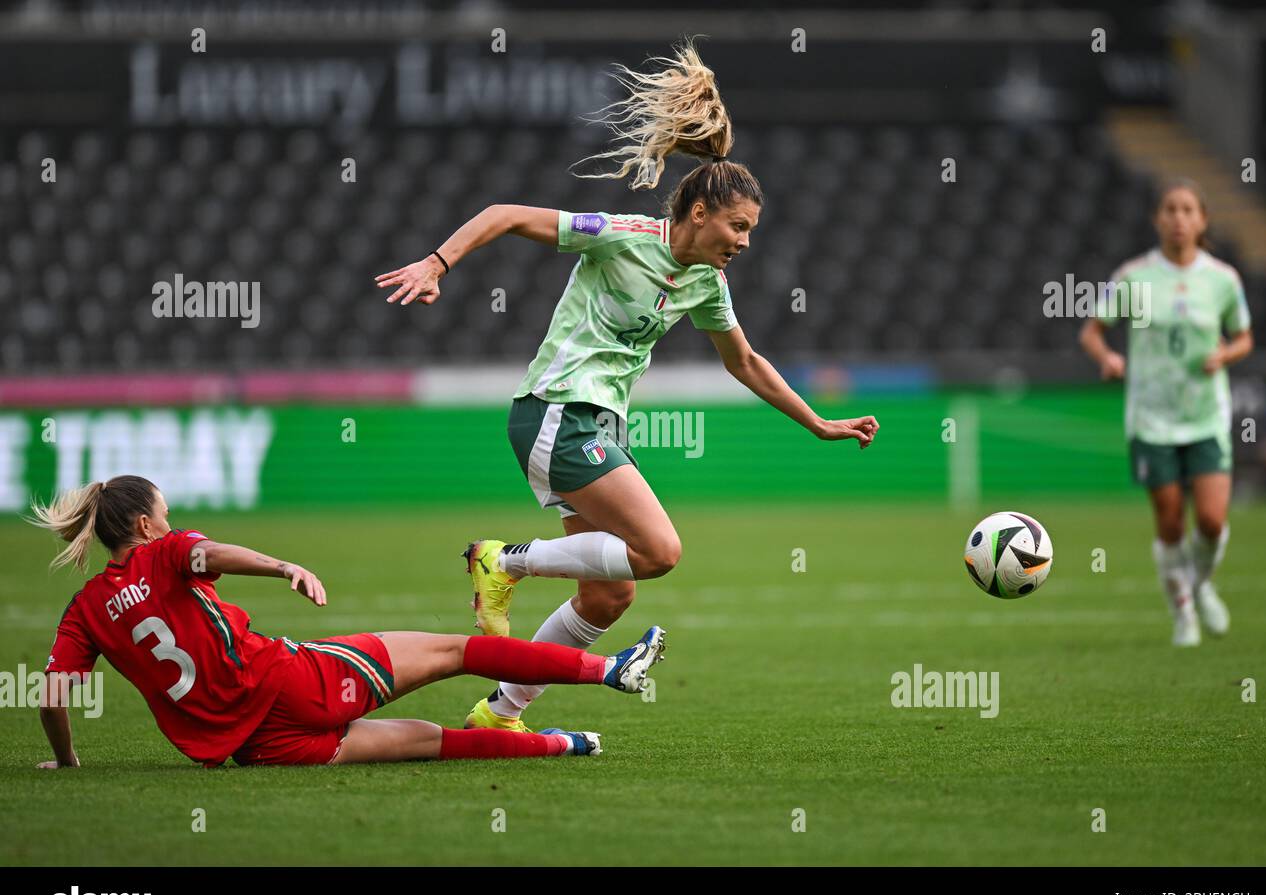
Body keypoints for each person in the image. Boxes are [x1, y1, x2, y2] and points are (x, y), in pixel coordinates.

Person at [375, 40, 879, 731]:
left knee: (609, 596)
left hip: (595, 427)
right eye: (739, 226)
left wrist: (818, 422)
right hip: (557, 413)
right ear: (699, 214)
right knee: (660, 552)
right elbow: (504, 214)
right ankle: (503, 560)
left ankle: (500, 710)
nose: (745, 241)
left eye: (751, 231)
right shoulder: (621, 235)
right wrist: (438, 262)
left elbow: (746, 361)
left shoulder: (706, 282)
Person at [29, 475, 666, 768]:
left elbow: (53, 697)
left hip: (260, 749)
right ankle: (609, 670)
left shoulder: (84, 613)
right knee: (456, 652)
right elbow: (210, 553)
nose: (170, 522)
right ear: (144, 526)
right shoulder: (166, 551)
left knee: (428, 743)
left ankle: (566, 743)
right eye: (165, 514)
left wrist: (67, 761)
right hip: (292, 680)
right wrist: (282, 566)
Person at [1079, 178, 1254, 647]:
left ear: (1202, 220)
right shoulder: (1134, 277)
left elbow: (1244, 337)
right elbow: (1093, 331)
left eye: (1187, 210)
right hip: (1151, 418)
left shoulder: (1222, 280)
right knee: (1172, 521)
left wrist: (1226, 356)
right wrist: (1108, 358)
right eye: (1170, 209)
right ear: (1158, 218)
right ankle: (1183, 615)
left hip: (1204, 415)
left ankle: (1199, 586)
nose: (1178, 218)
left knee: (1213, 521)